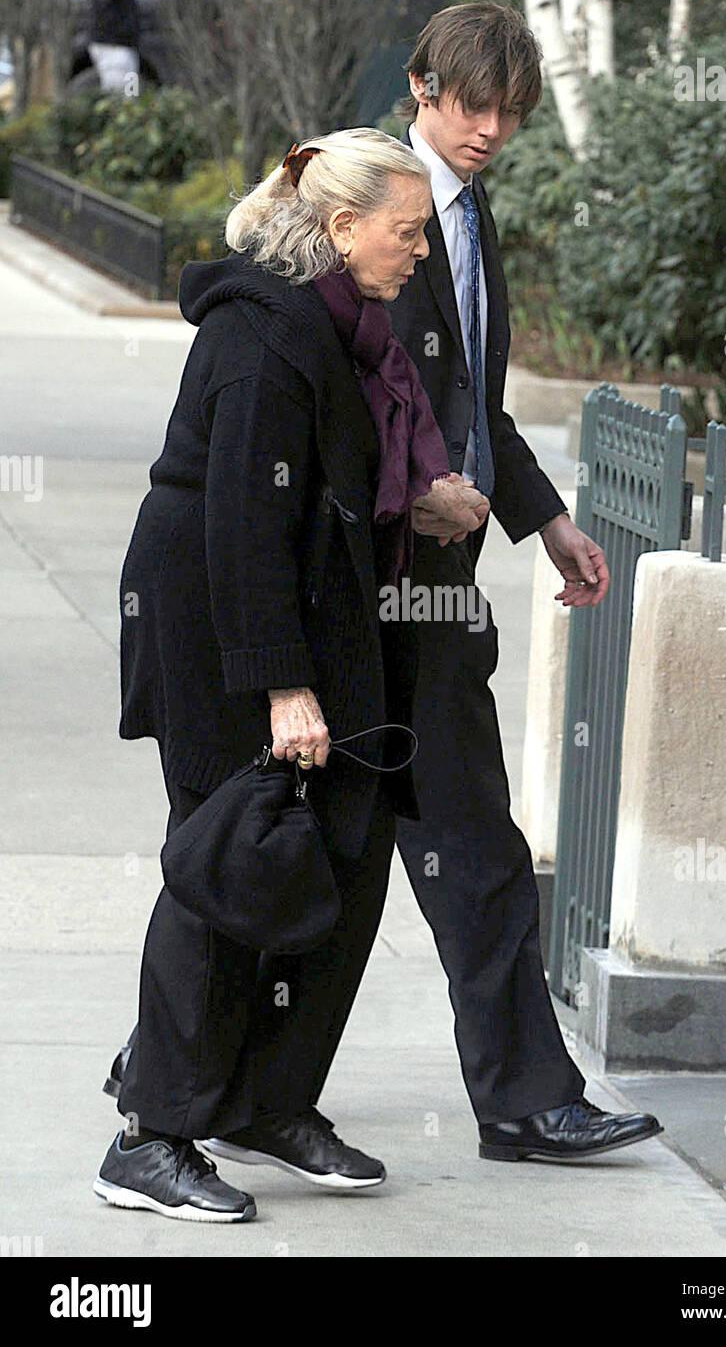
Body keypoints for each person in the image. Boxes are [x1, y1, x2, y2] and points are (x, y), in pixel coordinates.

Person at [94, 127, 488, 1223]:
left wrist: (417, 498)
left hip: (312, 609)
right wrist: (281, 685)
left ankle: (265, 1099)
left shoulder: (344, 323)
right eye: (405, 233)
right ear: (340, 226)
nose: (419, 251)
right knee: (232, 860)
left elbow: (324, 477)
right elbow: (241, 522)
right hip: (223, 621)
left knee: (345, 852)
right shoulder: (267, 337)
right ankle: (149, 1132)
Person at [382, 3, 664, 1163]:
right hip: (360, 588)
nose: (489, 128)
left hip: (434, 590)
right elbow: (338, 393)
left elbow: (471, 403)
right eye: (469, 104)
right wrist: (412, 497)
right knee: (290, 852)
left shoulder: (467, 211)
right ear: (419, 87)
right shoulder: (371, 207)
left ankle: (522, 1099)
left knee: (474, 850)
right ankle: (167, 1080)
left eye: (507, 111)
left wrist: (544, 521)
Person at [86, 0, 140, 93]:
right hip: (114, 48)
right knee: (120, 99)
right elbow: (102, 8)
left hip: (123, 47)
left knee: (130, 95)